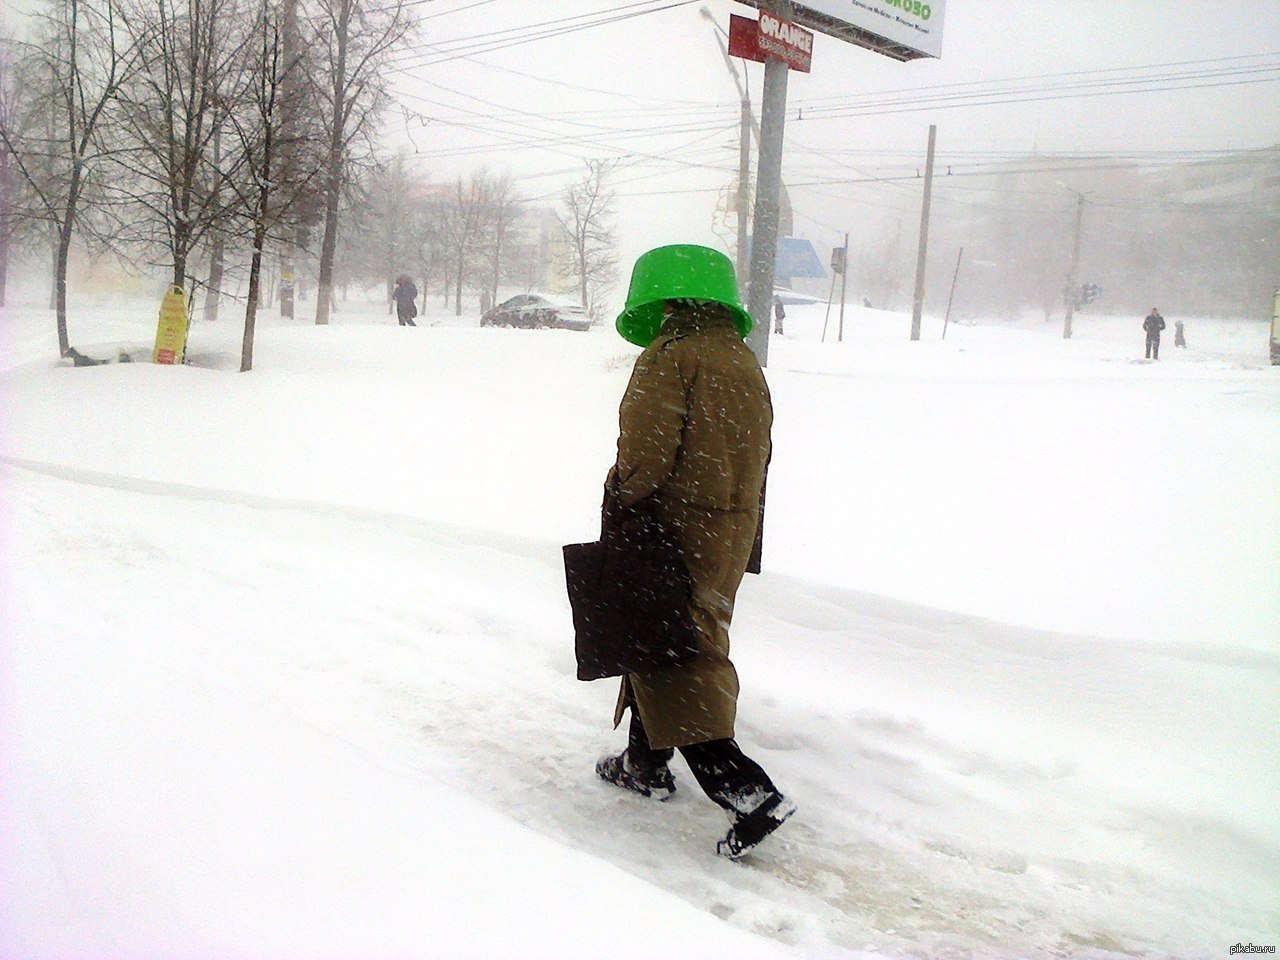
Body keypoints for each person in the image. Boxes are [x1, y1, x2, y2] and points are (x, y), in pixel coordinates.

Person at [594, 243, 795, 860]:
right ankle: (644, 763)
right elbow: (755, 454)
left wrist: (619, 497)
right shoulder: (742, 360)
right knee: (668, 634)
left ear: (659, 298)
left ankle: (746, 790)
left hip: (671, 524)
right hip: (730, 528)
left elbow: (646, 455)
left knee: (673, 648)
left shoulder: (670, 358)